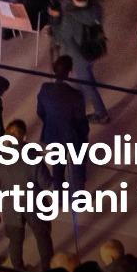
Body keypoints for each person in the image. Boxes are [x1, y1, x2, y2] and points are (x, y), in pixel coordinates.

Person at [0, 119, 53, 272]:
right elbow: (45, 183)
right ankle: (47, 269)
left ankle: (18, 270)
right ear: (24, 137)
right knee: (43, 238)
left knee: (15, 241)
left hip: (11, 206)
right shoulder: (33, 156)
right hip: (35, 205)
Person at [49, 0, 109, 122]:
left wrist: (55, 20)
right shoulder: (96, 8)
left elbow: (60, 38)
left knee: (88, 85)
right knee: (87, 74)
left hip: (78, 56)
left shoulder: (70, 17)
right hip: (95, 48)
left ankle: (101, 114)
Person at [37, 56, 91, 187]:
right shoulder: (76, 95)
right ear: (70, 71)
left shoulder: (45, 88)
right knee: (78, 168)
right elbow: (80, 120)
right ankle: (79, 194)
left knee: (57, 168)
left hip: (53, 133)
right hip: (72, 136)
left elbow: (40, 112)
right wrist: (84, 134)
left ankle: (59, 192)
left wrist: (51, 123)